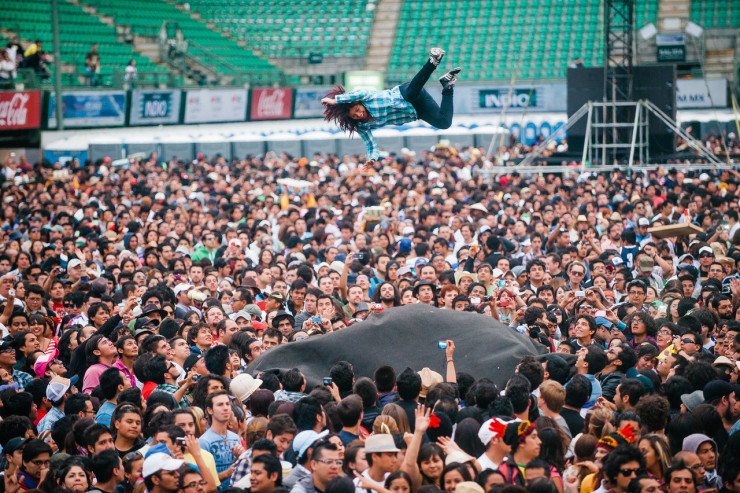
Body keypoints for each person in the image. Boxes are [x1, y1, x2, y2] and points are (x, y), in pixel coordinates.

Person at [322, 48, 460, 170]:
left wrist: (336, 101)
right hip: (416, 111)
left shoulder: (365, 96)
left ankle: (433, 61)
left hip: (404, 93)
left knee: (411, 94)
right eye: (355, 116)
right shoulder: (362, 126)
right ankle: (447, 84)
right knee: (444, 123)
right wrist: (372, 159)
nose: (359, 114)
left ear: (358, 103)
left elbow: (354, 95)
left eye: (358, 110)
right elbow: (371, 146)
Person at [198, 390, 243, 490]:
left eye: (227, 404)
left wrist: (241, 456)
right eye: (220, 405)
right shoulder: (204, 441)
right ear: (209, 410)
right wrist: (226, 474)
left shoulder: (235, 438)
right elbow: (202, 481)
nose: (226, 408)